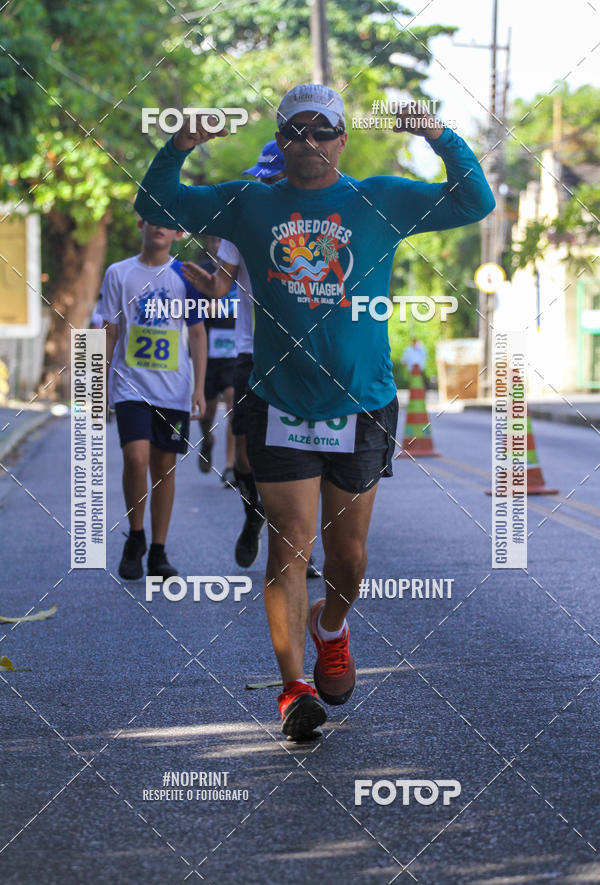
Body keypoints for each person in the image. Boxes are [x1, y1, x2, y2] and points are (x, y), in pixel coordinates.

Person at [135, 83, 495, 739]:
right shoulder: (250, 203)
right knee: (290, 545)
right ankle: (293, 689)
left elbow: (476, 201)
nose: (309, 141)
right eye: (296, 130)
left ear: (341, 140)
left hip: (362, 403)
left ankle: (332, 627)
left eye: (322, 129)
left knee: (348, 557)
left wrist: (438, 135)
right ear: (280, 141)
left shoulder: (378, 199)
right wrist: (180, 144)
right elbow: (156, 204)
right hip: (278, 401)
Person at [182, 141, 321, 577]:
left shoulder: (314, 228)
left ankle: (301, 549)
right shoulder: (242, 223)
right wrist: (208, 285)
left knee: (303, 454)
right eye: (260, 177)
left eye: (271, 177)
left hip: (301, 355)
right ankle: (252, 513)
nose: (264, 184)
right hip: (251, 351)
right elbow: (222, 287)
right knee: (244, 455)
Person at [101, 219, 207, 580]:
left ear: (179, 233)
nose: (159, 227)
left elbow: (197, 334)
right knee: (136, 457)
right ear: (140, 224)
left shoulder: (185, 275)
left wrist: (199, 388)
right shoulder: (118, 273)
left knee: (164, 467)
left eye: (168, 222)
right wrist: (99, 384)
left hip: (173, 389)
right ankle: (136, 536)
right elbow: (109, 331)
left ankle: (158, 551)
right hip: (130, 385)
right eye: (153, 219)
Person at [194, 235, 238, 487]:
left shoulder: (241, 272)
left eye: (223, 241)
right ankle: (207, 439)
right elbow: (190, 311)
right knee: (208, 410)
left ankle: (230, 465)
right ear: (208, 243)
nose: (218, 245)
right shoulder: (202, 272)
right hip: (208, 351)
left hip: (234, 350)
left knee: (233, 401)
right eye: (214, 241)